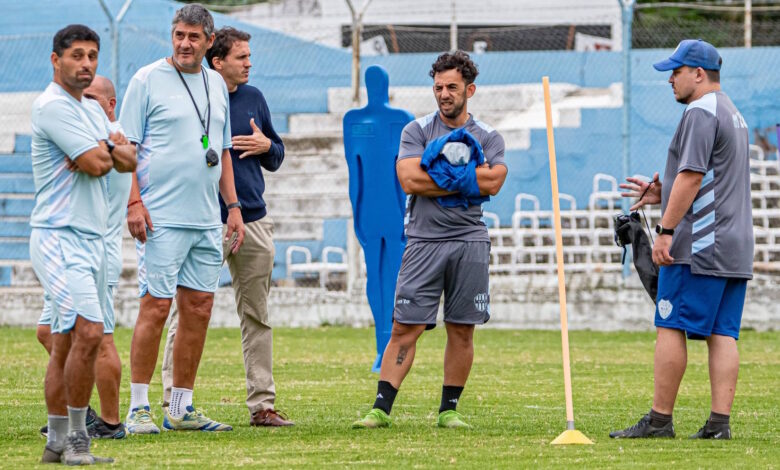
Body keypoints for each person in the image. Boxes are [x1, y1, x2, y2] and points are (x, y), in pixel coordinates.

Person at [352, 50, 507, 429]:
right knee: (405, 327)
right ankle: (380, 410)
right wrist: (467, 181)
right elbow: (409, 180)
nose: (444, 94)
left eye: (452, 87)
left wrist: (438, 178)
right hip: (423, 240)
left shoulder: (488, 135)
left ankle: (449, 411)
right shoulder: (416, 131)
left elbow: (495, 182)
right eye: (438, 87)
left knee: (462, 328)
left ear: (470, 89)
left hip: (470, 241)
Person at [611, 39, 752, 440]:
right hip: (735, 244)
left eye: (676, 72)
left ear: (699, 74)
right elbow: (710, 178)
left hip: (701, 244)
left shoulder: (699, 111)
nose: (670, 79)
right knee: (723, 333)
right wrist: (663, 192)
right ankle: (718, 425)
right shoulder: (731, 112)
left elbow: (691, 177)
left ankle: (659, 421)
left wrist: (665, 231)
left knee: (669, 323)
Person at [120, 3, 245, 434]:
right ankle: (139, 407)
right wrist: (134, 204)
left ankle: (180, 407)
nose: (184, 44)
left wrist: (233, 208)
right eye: (179, 35)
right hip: (161, 218)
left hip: (206, 219)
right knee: (155, 307)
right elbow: (127, 149)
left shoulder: (216, 83)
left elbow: (222, 151)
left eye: (193, 37)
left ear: (210, 41)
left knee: (199, 309)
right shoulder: (146, 79)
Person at [159, 26, 292, 427]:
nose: (249, 63)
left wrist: (267, 146)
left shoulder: (254, 98)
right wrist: (215, 148)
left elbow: (276, 156)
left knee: (257, 314)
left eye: (249, 56)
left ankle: (262, 405)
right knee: (185, 312)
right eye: (241, 57)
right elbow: (195, 149)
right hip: (205, 221)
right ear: (217, 62)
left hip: (254, 220)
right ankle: (173, 403)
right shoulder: (197, 98)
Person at [30, 24, 136, 464]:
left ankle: (58, 443)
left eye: (92, 55)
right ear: (56, 60)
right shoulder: (52, 107)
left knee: (65, 341)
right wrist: (105, 149)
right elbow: (98, 163)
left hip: (91, 240)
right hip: (59, 237)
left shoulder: (91, 109)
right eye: (77, 55)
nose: (86, 63)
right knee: (90, 331)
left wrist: (102, 149)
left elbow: (129, 159)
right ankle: (77, 440)